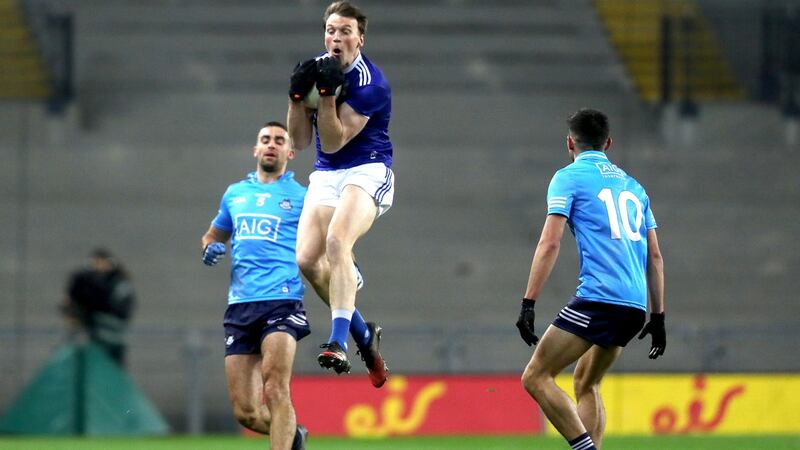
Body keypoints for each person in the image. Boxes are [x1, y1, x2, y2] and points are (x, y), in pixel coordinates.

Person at [516, 109, 666, 450]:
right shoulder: (634, 187)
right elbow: (655, 257)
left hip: (598, 299)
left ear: (569, 142)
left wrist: (529, 302)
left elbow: (550, 242)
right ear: (608, 143)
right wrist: (658, 318)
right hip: (634, 306)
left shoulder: (568, 177)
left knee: (536, 377)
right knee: (586, 381)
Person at [286, 1, 392, 387]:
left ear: (359, 39)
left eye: (345, 31)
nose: (336, 38)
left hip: (368, 168)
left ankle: (337, 342)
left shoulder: (371, 83)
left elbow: (332, 143)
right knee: (308, 261)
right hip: (328, 174)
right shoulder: (317, 69)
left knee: (337, 241)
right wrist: (296, 98)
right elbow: (299, 141)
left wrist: (327, 97)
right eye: (331, 30)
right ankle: (365, 336)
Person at [201, 121, 308, 450]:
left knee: (275, 389)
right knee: (246, 413)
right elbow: (214, 234)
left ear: (290, 152)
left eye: (279, 140)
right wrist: (210, 247)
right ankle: (294, 437)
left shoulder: (303, 197)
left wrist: (348, 264)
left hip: (282, 301)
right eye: (265, 139)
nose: (271, 144)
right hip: (240, 305)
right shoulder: (235, 194)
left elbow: (327, 240)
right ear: (256, 150)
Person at [62, 248, 136, 367]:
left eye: (101, 262)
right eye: (96, 263)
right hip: (94, 335)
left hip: (111, 335)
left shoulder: (119, 283)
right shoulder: (85, 280)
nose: (99, 266)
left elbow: (119, 310)